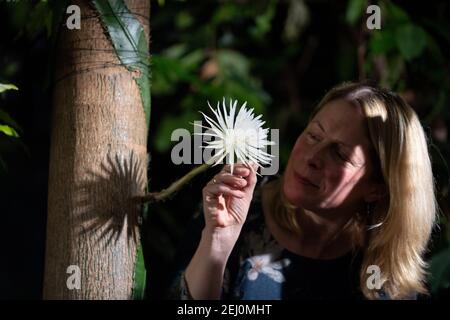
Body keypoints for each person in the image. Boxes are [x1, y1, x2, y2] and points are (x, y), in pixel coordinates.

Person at [168, 81, 438, 300]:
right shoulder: (233, 207)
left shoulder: (382, 277)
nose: (312, 156)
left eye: (340, 153)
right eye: (314, 135)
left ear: (377, 189)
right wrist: (217, 242)